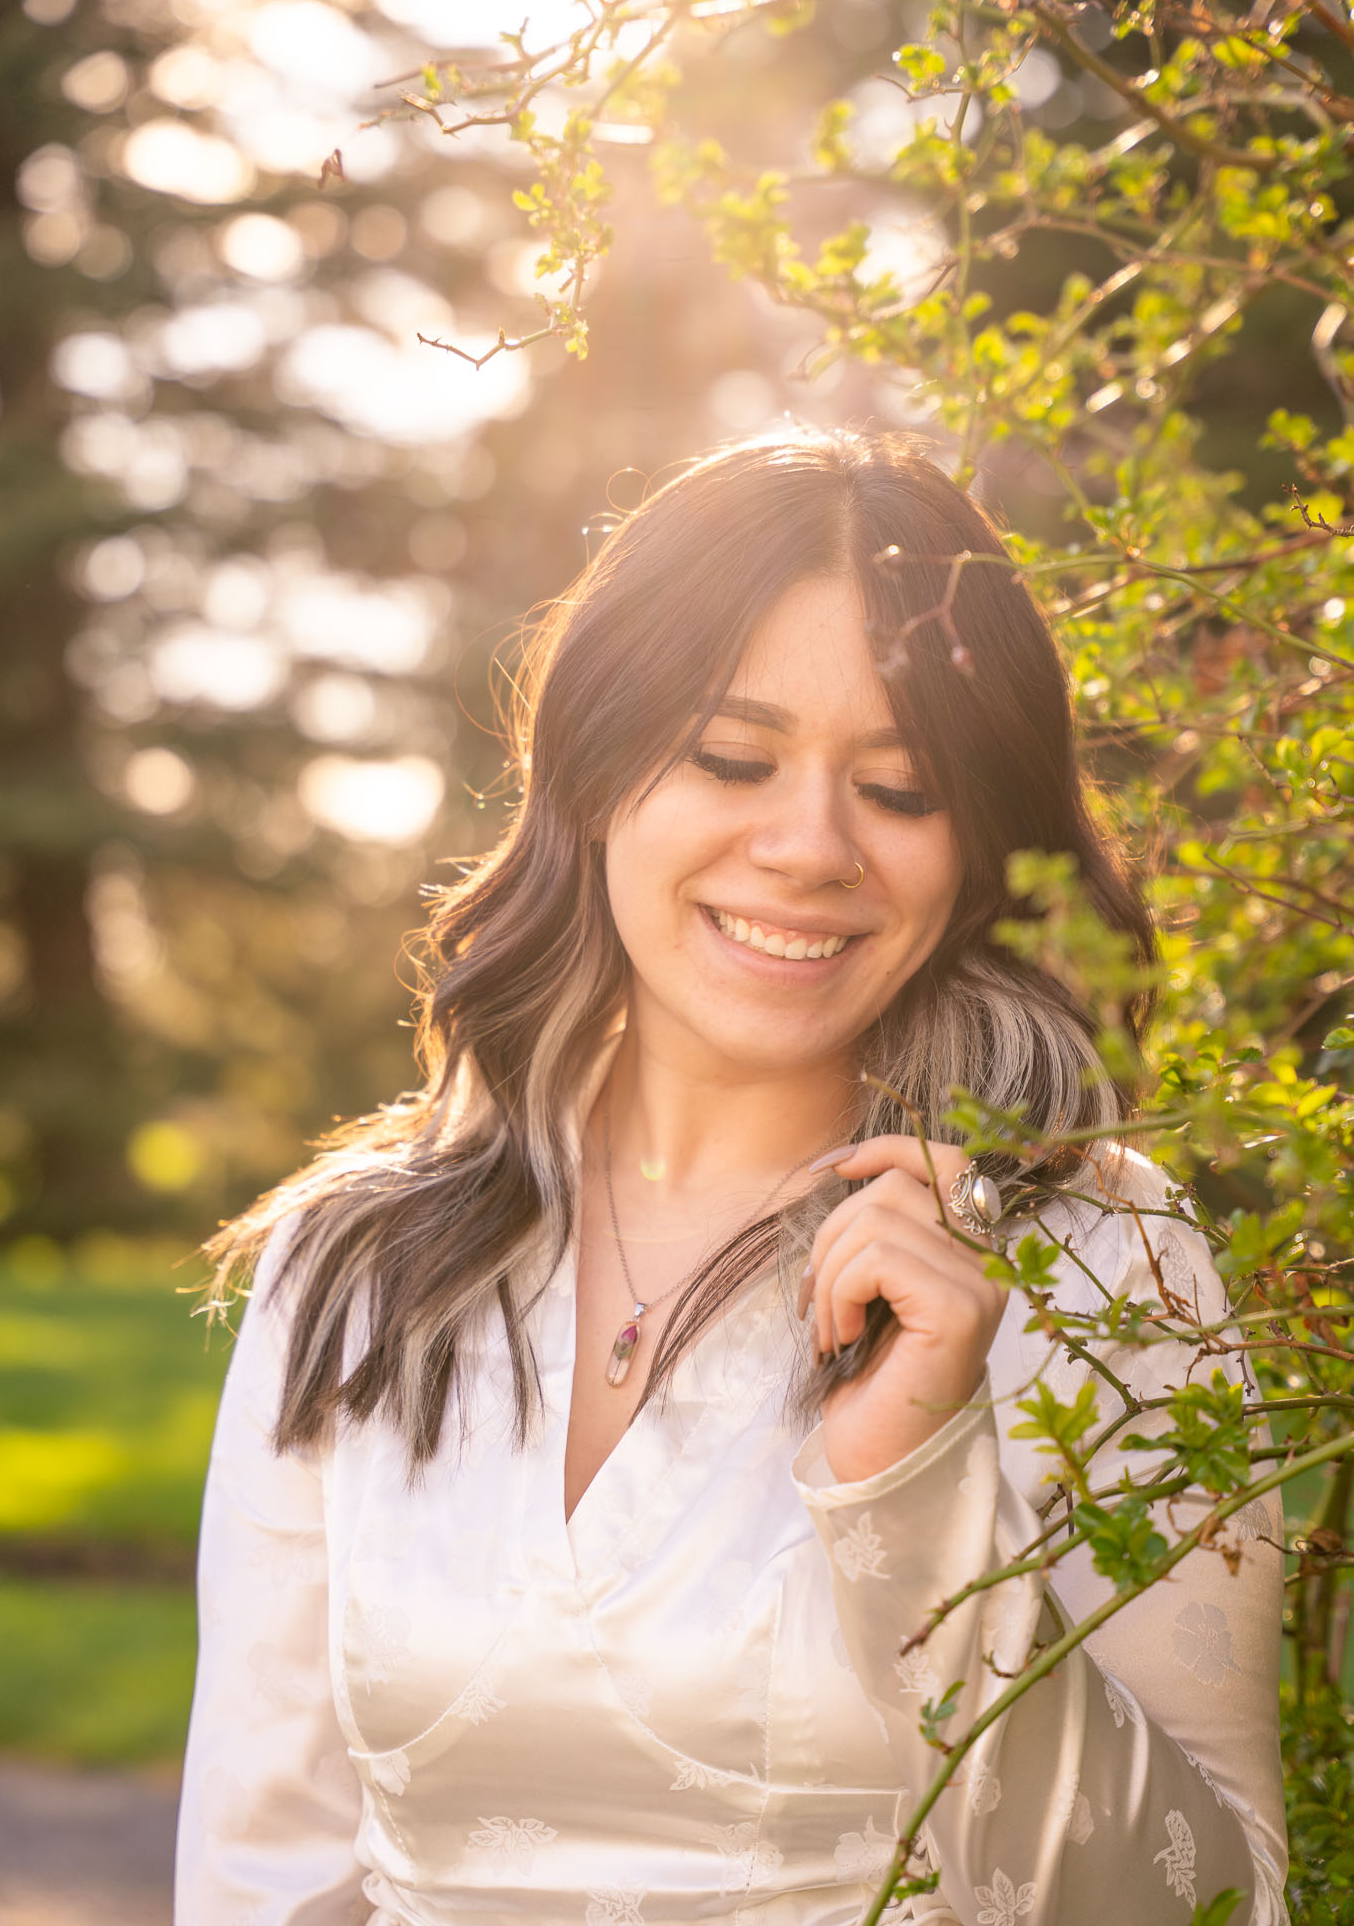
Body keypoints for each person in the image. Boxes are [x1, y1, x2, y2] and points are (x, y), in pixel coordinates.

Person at [176, 429, 1288, 1926]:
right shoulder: (356, 1266)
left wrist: (913, 1489)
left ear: (983, 847)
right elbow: (261, 1873)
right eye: (731, 758)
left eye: (898, 789)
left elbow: (1213, 1901)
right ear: (593, 767)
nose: (808, 846)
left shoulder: (1098, 1262)